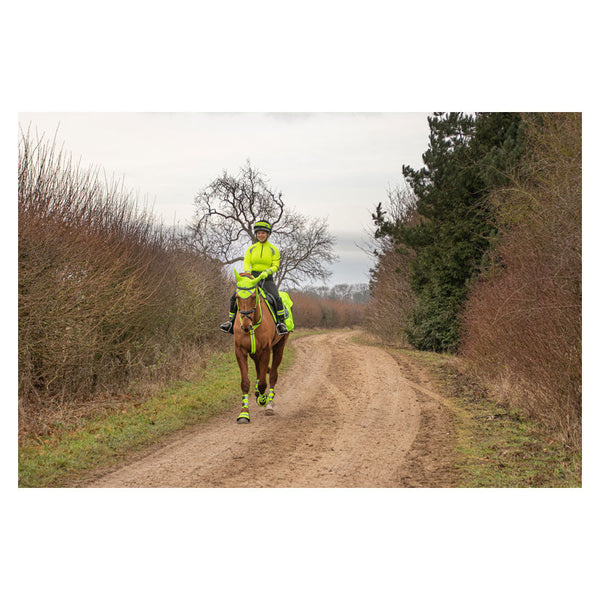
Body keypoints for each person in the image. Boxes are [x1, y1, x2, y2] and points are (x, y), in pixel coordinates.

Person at [220, 220, 289, 335]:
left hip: (267, 279)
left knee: (277, 298)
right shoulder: (251, 249)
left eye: (263, 233)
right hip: (252, 278)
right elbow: (247, 262)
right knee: (234, 297)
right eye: (258, 233)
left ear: (268, 234)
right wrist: (248, 273)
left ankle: (280, 324)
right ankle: (231, 322)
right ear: (256, 234)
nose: (261, 235)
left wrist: (267, 272)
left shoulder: (274, 249)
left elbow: (276, 265)